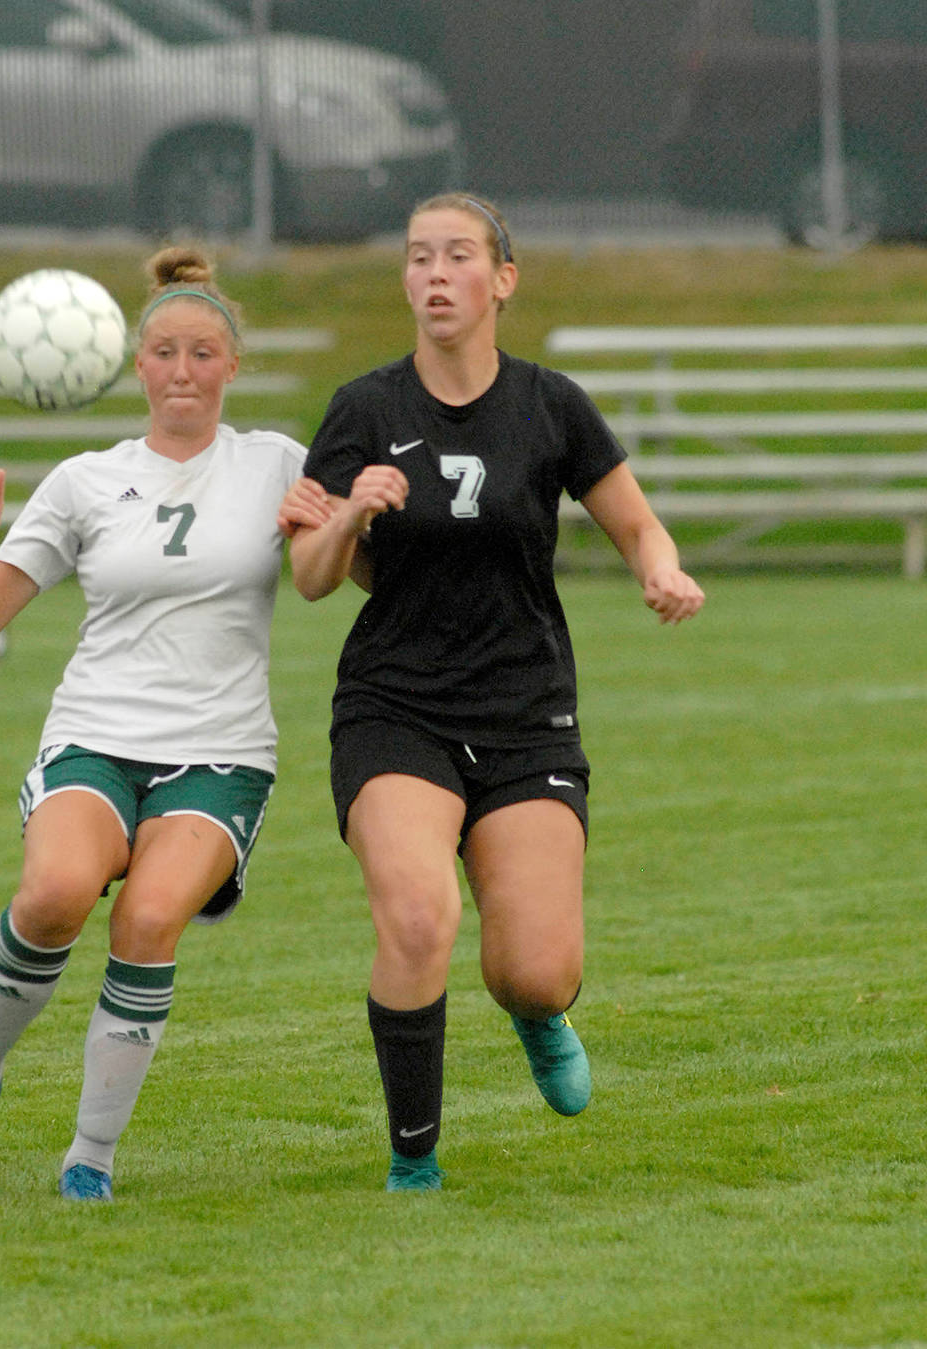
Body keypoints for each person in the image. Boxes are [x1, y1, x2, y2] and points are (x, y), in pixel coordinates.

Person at [281, 192, 705, 1191]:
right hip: (395, 706)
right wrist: (349, 516)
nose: (433, 273)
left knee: (533, 966)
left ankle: (536, 1013)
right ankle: (411, 1159)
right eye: (417, 256)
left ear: (500, 280)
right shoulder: (363, 410)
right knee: (420, 918)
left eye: (456, 255)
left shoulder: (549, 406)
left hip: (523, 714)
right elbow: (307, 575)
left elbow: (637, 524)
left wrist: (659, 569)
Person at [0, 246, 308, 1204]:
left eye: (203, 353)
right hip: (95, 736)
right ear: (136, 364)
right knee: (52, 897)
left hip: (222, 749)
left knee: (151, 917)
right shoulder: (84, 479)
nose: (183, 372)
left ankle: (91, 1158)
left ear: (230, 366)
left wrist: (344, 521)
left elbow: (339, 572)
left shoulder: (277, 462)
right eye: (164, 352)